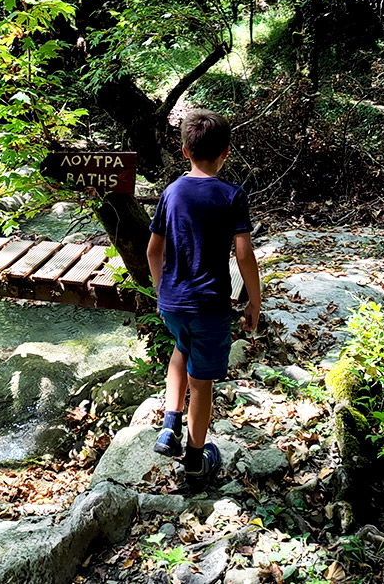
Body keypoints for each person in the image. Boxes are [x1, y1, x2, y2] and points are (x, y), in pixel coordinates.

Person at [146, 108, 261, 489]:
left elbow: (152, 251)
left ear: (184, 151)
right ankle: (195, 462)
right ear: (226, 152)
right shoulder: (231, 196)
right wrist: (254, 300)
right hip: (210, 305)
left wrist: (162, 292)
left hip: (174, 302)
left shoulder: (171, 191)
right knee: (202, 384)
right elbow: (243, 253)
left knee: (181, 347)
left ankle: (168, 428)